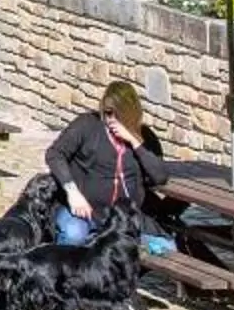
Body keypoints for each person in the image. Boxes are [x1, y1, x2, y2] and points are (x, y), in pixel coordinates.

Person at [44, 79, 165, 245]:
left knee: (166, 246)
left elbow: (159, 177)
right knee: (74, 235)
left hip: (125, 219)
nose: (111, 119)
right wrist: (73, 192)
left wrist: (133, 140)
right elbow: (55, 154)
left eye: (118, 115)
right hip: (85, 212)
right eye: (108, 113)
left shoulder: (145, 137)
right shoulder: (87, 125)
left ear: (130, 113)